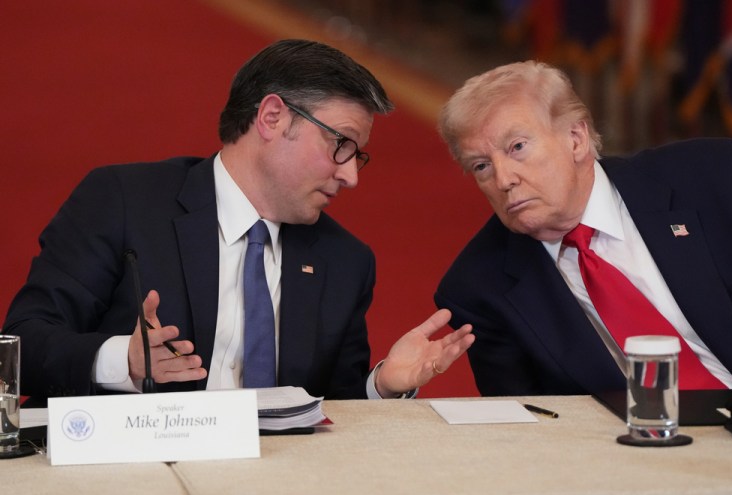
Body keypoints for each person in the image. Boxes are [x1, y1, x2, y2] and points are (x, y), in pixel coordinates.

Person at [3, 39, 474, 401]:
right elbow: (19, 346)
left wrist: (382, 387)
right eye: (341, 145)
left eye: (358, 155)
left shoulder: (345, 261)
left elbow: (330, 411)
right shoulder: (124, 200)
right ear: (272, 117)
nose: (350, 175)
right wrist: (121, 360)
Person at [434, 60, 732, 396]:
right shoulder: (480, 288)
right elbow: (528, 420)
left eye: (517, 147)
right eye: (481, 166)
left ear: (576, 139)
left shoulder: (717, 178)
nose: (503, 179)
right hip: (634, 431)